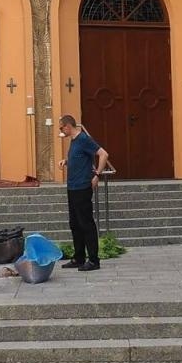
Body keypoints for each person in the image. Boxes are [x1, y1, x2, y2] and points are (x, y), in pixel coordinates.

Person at [57, 114, 110, 271]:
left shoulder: (84, 139)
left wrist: (97, 175)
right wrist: (66, 161)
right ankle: (79, 257)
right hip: (72, 187)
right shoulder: (74, 141)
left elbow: (103, 154)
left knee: (86, 223)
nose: (61, 131)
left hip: (82, 187)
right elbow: (79, 158)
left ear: (68, 126)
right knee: (75, 223)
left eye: (61, 127)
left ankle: (93, 260)